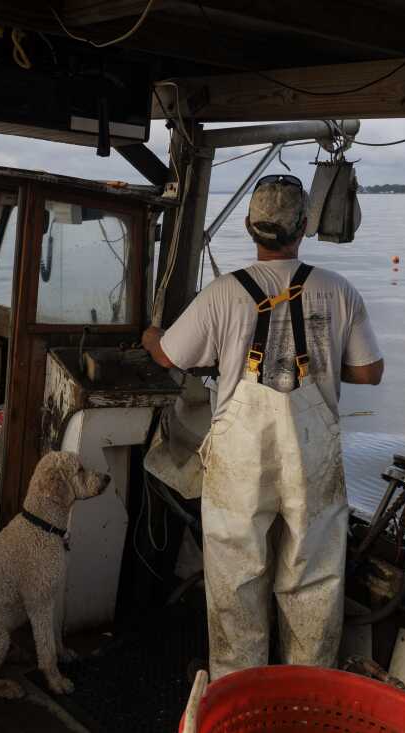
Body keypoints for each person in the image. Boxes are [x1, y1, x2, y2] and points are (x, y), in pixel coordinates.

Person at [141, 174, 384, 680]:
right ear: (303, 228)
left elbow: (171, 355)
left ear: (252, 228)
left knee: (236, 578)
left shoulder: (223, 293)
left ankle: (238, 690)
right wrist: (317, 362)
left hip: (240, 459)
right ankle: (307, 696)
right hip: (312, 454)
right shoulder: (339, 290)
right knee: (314, 577)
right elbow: (368, 372)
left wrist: (149, 336)